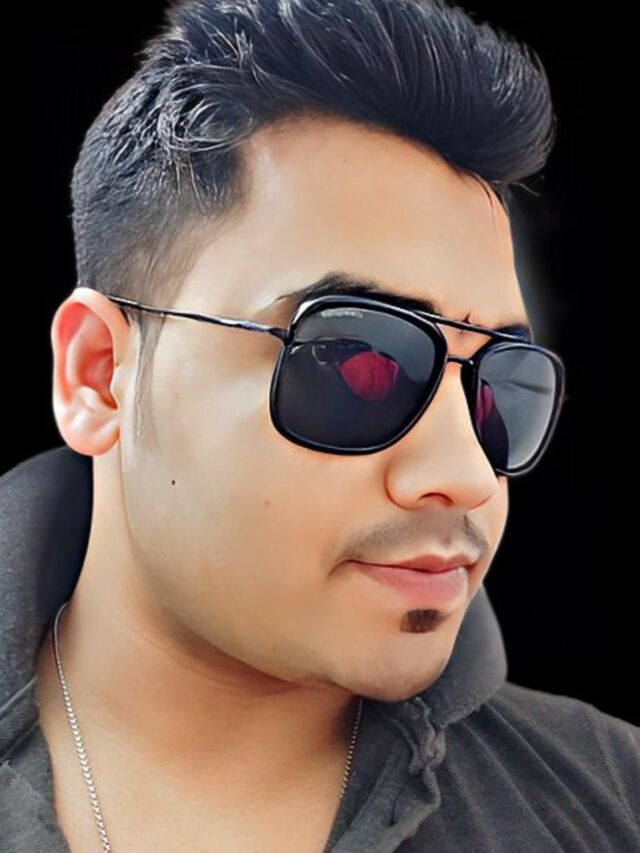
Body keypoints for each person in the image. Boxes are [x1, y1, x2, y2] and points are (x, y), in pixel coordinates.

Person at [1, 1, 638, 851]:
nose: (469, 474)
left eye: (500, 387)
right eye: (357, 362)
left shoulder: (610, 799)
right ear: (97, 375)